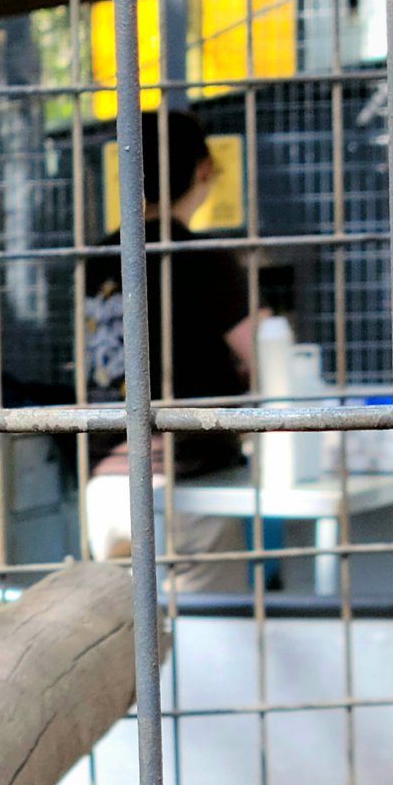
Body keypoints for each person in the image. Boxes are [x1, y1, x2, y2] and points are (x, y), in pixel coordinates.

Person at [81, 110, 254, 590]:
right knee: (204, 646)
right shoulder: (206, 260)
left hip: (108, 484)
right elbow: (266, 363)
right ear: (204, 170)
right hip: (186, 489)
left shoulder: (100, 258)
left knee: (126, 644)